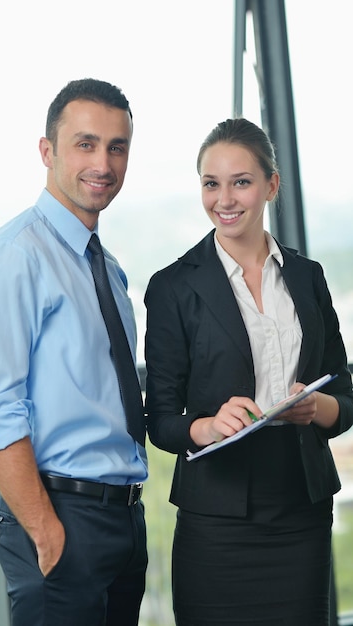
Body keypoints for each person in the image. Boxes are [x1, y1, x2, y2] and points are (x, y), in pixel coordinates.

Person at [144, 117, 353, 626]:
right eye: (211, 184)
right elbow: (161, 419)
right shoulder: (173, 287)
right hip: (216, 520)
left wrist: (316, 406)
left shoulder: (307, 276)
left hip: (300, 510)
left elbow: (344, 396)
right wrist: (209, 426)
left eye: (241, 181)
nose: (225, 199)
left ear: (271, 186)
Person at [0, 78, 148, 626]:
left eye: (117, 147)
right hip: (59, 515)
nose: (104, 163)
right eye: (86, 144)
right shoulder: (14, 257)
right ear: (48, 151)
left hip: (122, 518)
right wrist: (46, 530)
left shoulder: (106, 268)